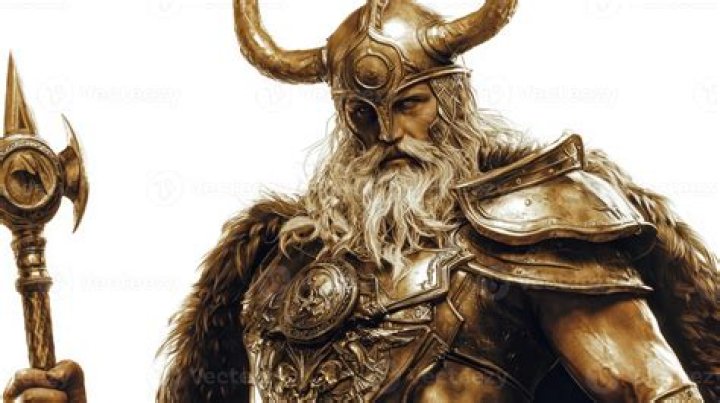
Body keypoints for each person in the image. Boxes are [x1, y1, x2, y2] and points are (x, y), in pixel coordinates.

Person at [5, 0, 718, 402]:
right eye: (362, 117)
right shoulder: (279, 267)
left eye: (408, 105)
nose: (388, 135)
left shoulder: (533, 220)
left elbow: (658, 393)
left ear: (451, 101)